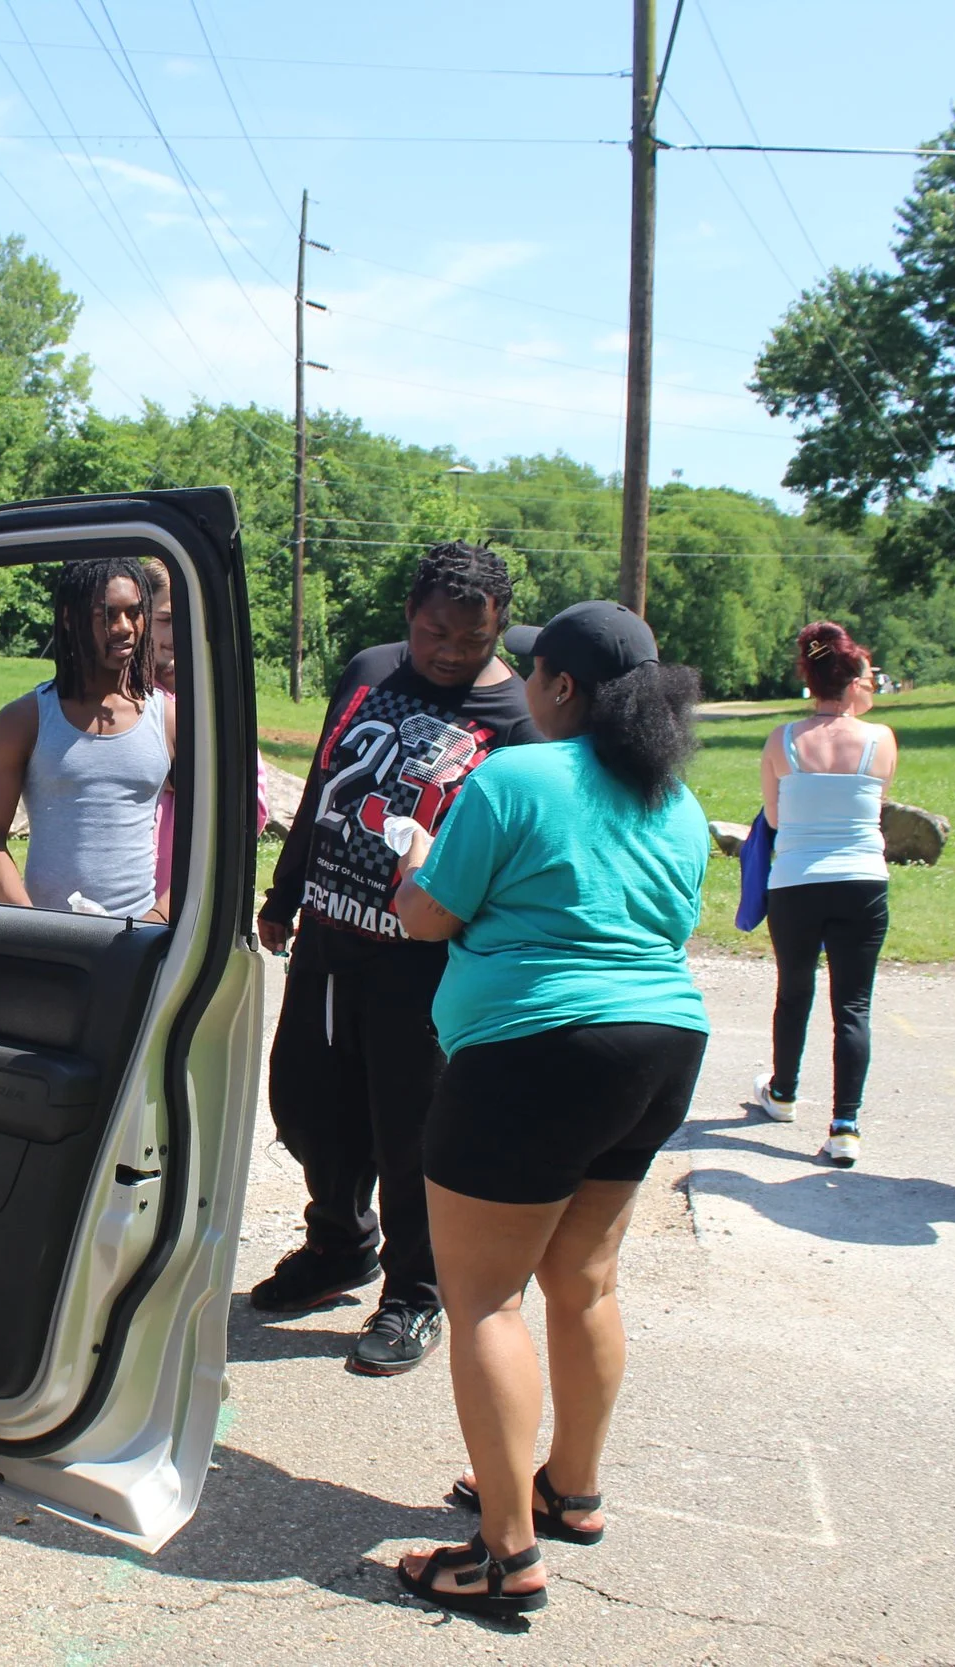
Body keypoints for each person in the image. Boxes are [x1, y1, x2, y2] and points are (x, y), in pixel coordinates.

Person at [389, 600, 708, 1618]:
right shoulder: (677, 802)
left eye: (533, 671)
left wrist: (409, 863)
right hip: (660, 1049)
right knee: (584, 1278)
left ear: (561, 686)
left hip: (533, 1052)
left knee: (483, 1297)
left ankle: (503, 1552)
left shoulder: (515, 773)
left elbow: (427, 915)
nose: (521, 682)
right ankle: (568, 1489)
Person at [253, 542, 539, 1377]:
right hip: (330, 936)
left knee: (411, 1132)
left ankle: (416, 1291)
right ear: (408, 615)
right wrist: (284, 891)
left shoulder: (517, 720)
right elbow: (321, 785)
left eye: (472, 638)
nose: (449, 651)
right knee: (307, 1104)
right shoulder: (370, 670)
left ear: (499, 631)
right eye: (432, 631)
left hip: (426, 965)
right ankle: (341, 1243)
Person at [751, 620, 897, 1167]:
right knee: (853, 1003)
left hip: (796, 881)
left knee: (794, 991)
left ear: (807, 678)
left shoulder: (782, 740)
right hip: (862, 879)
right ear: (853, 674)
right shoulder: (881, 740)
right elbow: (876, 803)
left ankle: (783, 1093)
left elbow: (773, 815)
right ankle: (845, 1124)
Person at [0, 557, 171, 919]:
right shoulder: (24, 720)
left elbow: (208, 838)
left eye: (134, 612)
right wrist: (32, 925)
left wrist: (157, 918)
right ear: (68, 617)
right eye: (107, 614)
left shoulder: (168, 720)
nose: (124, 627)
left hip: (142, 942)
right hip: (51, 944)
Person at [142, 556, 266, 901]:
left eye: (192, 619)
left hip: (193, 902)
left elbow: (248, 810)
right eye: (166, 620)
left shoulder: (217, 705)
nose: (180, 632)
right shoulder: (119, 704)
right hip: (124, 900)